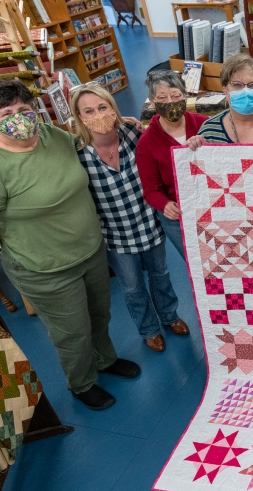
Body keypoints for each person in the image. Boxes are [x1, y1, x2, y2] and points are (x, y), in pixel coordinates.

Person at [0, 79, 141, 412]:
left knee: (99, 313)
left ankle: (105, 359)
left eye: (24, 109)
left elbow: (88, 142)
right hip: (44, 267)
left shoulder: (51, 137)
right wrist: (6, 240)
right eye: (7, 113)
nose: (19, 118)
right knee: (72, 332)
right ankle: (81, 383)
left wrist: (123, 126)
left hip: (89, 250)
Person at [70, 84, 190, 354]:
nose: (98, 114)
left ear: (113, 109)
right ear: (79, 117)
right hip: (115, 235)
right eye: (88, 111)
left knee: (161, 276)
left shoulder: (135, 135)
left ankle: (170, 316)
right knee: (133, 286)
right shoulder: (76, 155)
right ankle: (149, 329)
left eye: (103, 107)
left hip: (149, 222)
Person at [135, 70, 208, 260]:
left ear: (185, 96)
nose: (170, 102)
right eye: (162, 97)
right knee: (196, 264)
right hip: (179, 217)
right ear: (152, 102)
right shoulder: (147, 141)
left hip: (213, 206)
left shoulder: (205, 125)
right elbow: (151, 190)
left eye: (176, 96)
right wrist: (165, 204)